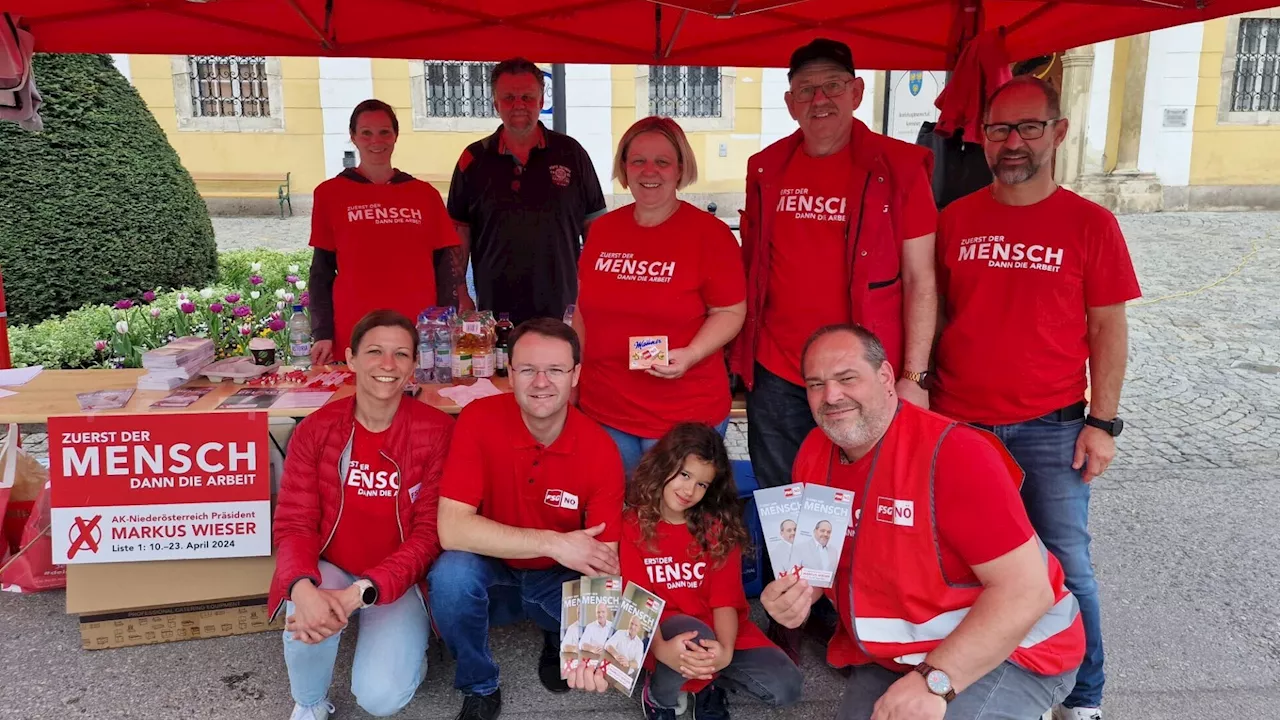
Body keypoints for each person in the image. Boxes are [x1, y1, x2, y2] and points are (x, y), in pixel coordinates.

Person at [931, 76, 1141, 720]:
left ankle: (1083, 699)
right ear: (981, 137)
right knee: (964, 563)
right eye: (999, 130)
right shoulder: (954, 220)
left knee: (1067, 566)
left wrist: (1101, 422)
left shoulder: (1090, 224)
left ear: (1058, 131)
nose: (1012, 142)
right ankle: (973, 669)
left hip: (1050, 427)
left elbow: (1108, 327)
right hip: (961, 425)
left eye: (1027, 128)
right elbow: (934, 316)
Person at [760, 324, 1084, 719]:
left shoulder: (955, 454)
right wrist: (798, 596)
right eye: (815, 384)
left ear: (885, 378)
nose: (831, 396)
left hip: (1017, 651)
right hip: (898, 656)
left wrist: (934, 680)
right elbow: (818, 560)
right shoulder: (813, 451)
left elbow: (1026, 593)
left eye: (847, 379)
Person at [731, 36, 939, 500]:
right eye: (806, 90)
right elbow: (751, 268)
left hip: (861, 374)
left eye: (833, 86)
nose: (819, 99)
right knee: (783, 501)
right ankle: (787, 578)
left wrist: (914, 377)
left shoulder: (901, 168)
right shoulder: (765, 169)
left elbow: (922, 280)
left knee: (870, 499)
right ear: (790, 103)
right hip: (779, 373)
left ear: (857, 92)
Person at [430, 317, 626, 720]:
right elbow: (451, 530)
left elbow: (605, 561)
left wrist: (596, 647)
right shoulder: (478, 419)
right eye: (527, 369)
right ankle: (479, 683)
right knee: (450, 577)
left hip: (558, 576)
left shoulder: (601, 449)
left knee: (602, 634)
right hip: (493, 568)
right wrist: (555, 542)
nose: (541, 382)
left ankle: (558, 636)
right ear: (510, 371)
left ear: (576, 375)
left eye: (555, 369)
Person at [270, 309, 455, 720]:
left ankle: (414, 653)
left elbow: (430, 535)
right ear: (351, 359)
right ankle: (311, 703)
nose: (387, 365)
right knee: (305, 615)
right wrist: (302, 590)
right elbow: (294, 522)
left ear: (413, 366)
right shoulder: (316, 429)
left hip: (399, 578)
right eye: (375, 352)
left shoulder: (437, 431)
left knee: (380, 699)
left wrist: (360, 594)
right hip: (330, 566)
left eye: (401, 355)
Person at [568, 423, 803, 720]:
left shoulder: (717, 527)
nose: (690, 491)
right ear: (665, 466)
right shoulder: (631, 525)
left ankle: (706, 682)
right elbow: (635, 605)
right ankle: (659, 696)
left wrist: (725, 652)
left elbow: (725, 601)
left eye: (702, 484)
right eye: (685, 475)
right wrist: (662, 650)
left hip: (717, 632)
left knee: (788, 686)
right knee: (694, 637)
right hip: (659, 630)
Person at [574, 117, 746, 475]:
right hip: (604, 409)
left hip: (682, 417)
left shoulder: (709, 235)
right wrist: (572, 379)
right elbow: (583, 311)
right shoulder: (603, 231)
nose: (648, 171)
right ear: (624, 167)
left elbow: (730, 311)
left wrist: (692, 354)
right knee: (617, 514)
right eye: (637, 160)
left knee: (673, 524)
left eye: (662, 162)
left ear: (680, 168)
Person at [448, 58, 607, 325]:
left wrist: (594, 290)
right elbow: (458, 233)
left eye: (527, 97)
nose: (518, 105)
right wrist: (461, 293)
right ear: (495, 102)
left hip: (562, 309)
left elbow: (596, 229)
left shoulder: (572, 153)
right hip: (495, 312)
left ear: (541, 100)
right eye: (508, 97)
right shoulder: (472, 159)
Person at [307, 100, 464, 365]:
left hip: (417, 328)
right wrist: (322, 332)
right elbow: (320, 272)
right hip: (355, 328)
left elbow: (445, 270)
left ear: (395, 136)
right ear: (353, 137)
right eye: (366, 132)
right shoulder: (329, 194)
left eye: (384, 132)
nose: (375, 141)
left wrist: (445, 325)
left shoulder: (424, 195)